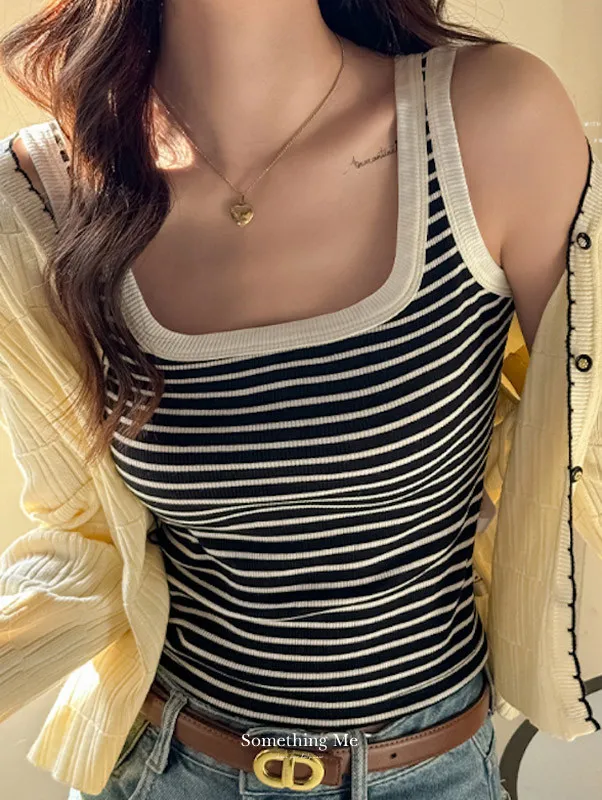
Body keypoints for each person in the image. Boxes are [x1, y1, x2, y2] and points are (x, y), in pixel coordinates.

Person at [0, 1, 600, 799]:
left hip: (433, 770)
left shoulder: (489, 125)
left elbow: (584, 445)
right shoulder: (34, 203)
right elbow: (81, 538)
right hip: (168, 768)